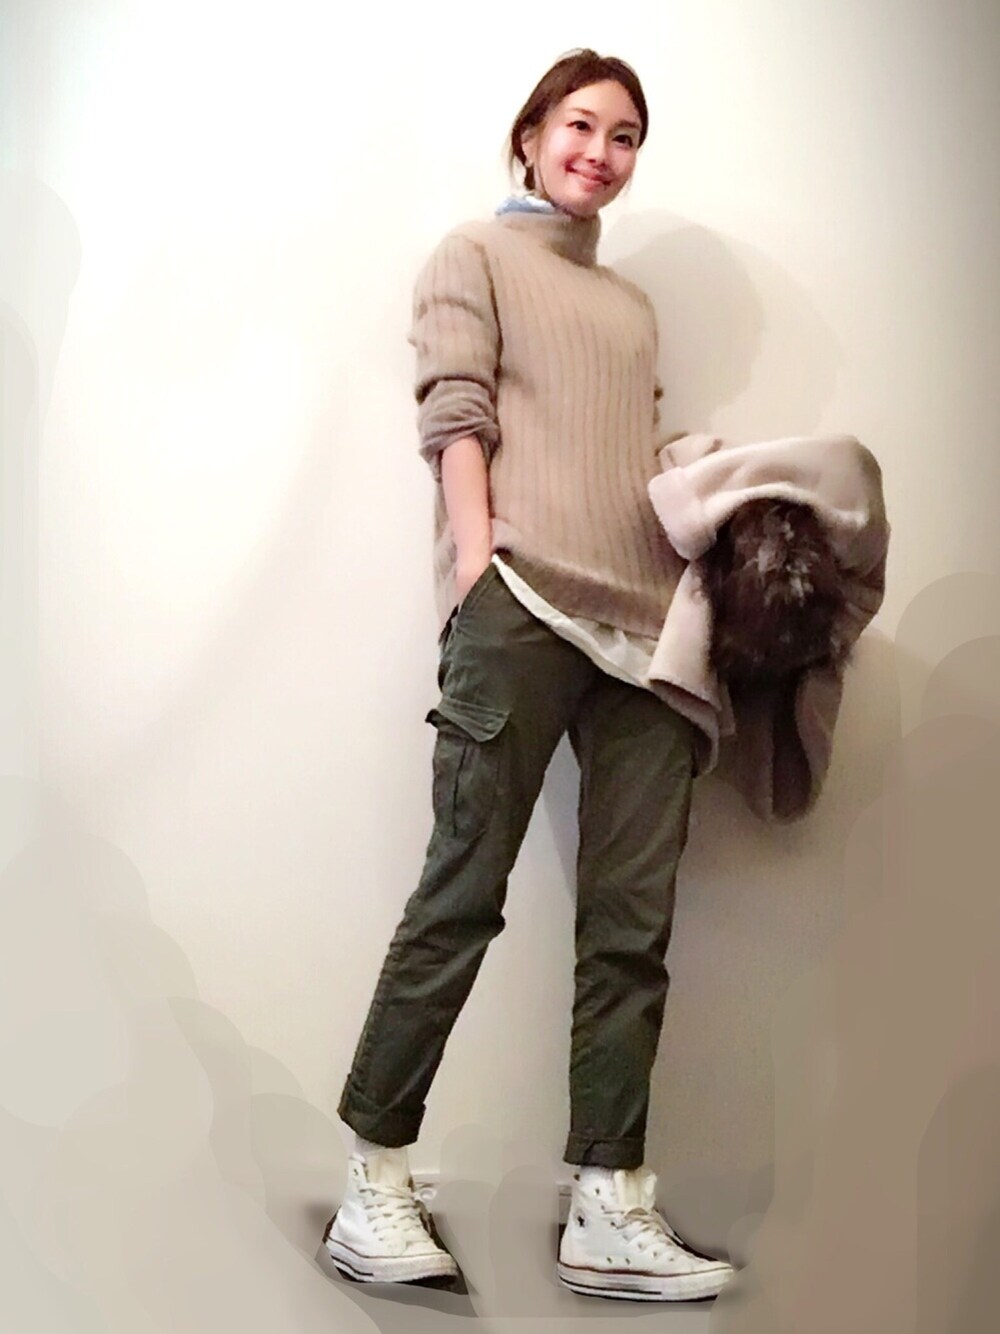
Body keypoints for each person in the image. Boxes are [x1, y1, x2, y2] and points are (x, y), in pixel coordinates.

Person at [324, 49, 737, 1303]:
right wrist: (474, 566)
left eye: (624, 137)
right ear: (530, 135)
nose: (599, 153)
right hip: (523, 602)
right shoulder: (474, 254)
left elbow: (615, 447)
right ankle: (374, 1176)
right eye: (580, 125)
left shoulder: (629, 306)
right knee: (460, 891)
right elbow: (455, 411)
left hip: (645, 633)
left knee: (632, 926)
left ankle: (608, 1200)